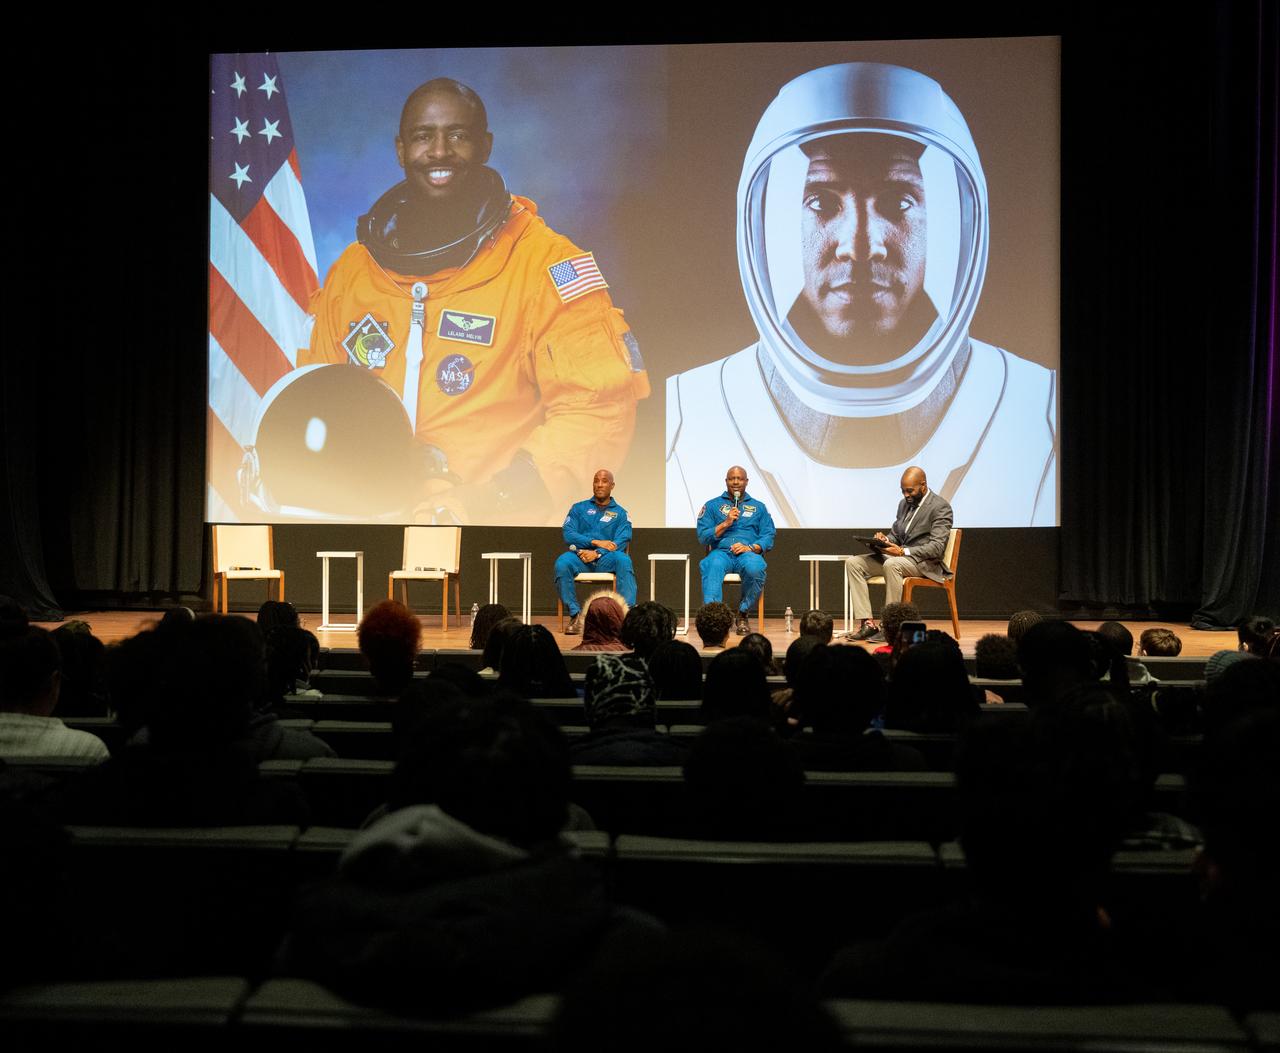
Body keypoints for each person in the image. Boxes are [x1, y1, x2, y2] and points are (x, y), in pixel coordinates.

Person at [666, 62, 1056, 529]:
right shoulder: (693, 408)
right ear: (763, 225)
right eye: (822, 203)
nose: (859, 244)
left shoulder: (1038, 410)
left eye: (898, 202)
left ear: (961, 223)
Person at [278, 78, 648, 524]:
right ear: (400, 150)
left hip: (495, 532)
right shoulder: (355, 272)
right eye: (422, 136)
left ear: (486, 145)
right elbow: (318, 396)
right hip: (369, 520)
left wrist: (492, 499)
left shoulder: (546, 266)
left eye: (457, 135)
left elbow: (595, 407)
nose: (439, 151)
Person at [844, 466, 952, 641]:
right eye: (903, 491)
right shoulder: (904, 504)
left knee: (892, 564)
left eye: (910, 491)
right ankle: (868, 624)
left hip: (923, 563)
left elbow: (937, 547)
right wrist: (884, 540)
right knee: (853, 563)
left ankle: (889, 626)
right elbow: (896, 534)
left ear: (923, 485)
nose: (906, 495)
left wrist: (903, 551)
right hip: (899, 558)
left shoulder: (940, 507)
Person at [697, 466, 775, 636]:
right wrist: (725, 523)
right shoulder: (712, 505)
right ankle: (714, 619)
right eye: (732, 479)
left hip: (747, 553)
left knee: (755, 567)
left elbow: (768, 535)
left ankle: (742, 614)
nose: (736, 482)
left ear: (746, 482)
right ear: (726, 481)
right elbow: (703, 537)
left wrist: (752, 547)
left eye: (740, 479)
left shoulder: (759, 507)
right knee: (711, 565)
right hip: (721, 552)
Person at [556, 469, 637, 635]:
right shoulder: (578, 508)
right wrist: (593, 542)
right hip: (580, 558)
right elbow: (568, 534)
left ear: (612, 485)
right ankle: (575, 615)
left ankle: (625, 617)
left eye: (604, 481)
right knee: (562, 563)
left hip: (606, 560)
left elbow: (620, 541)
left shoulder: (621, 514)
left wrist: (598, 552)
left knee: (624, 560)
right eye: (596, 480)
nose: (599, 484)